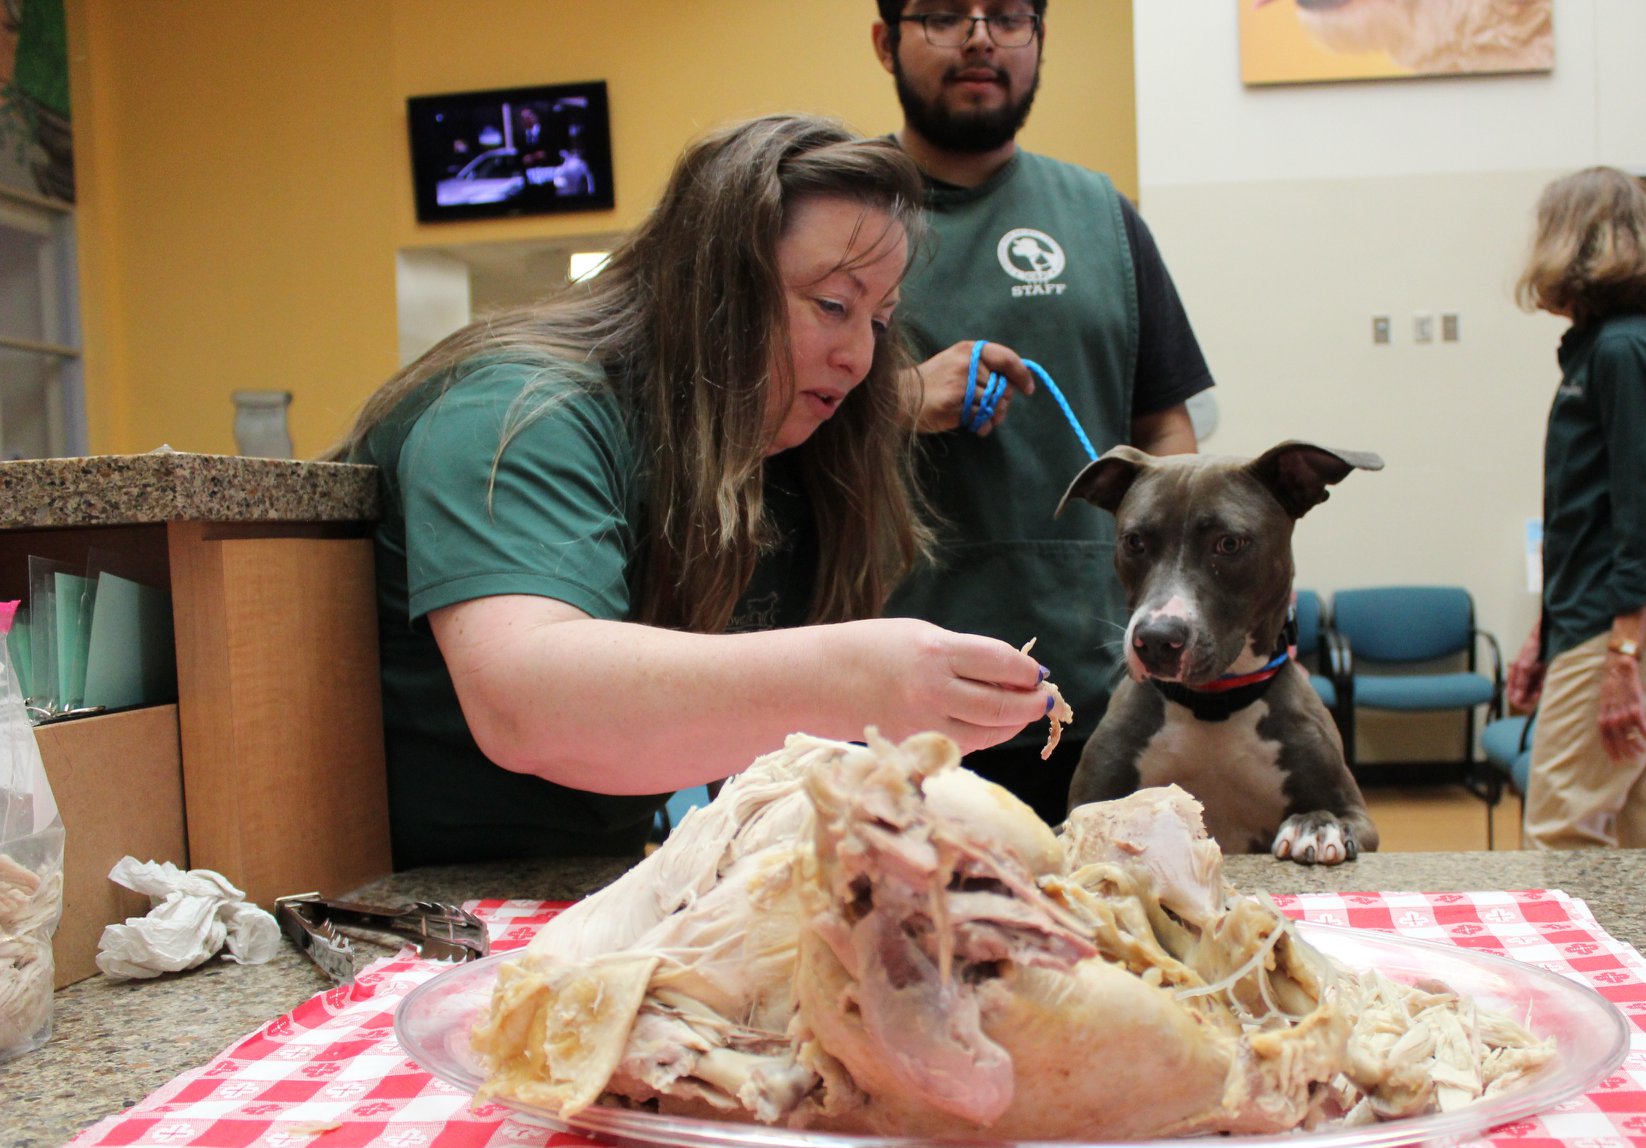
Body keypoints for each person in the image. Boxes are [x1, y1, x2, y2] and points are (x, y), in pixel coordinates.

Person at [325, 115, 1061, 866]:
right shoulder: (514, 411)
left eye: (881, 318)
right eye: (834, 305)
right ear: (712, 287)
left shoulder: (778, 450)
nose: (862, 355)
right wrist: (860, 678)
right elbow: (527, 706)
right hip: (394, 904)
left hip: (587, 884)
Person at [871, 0, 1214, 825]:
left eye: (1010, 15)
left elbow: (1168, 436)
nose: (982, 36)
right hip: (885, 713)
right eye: (946, 14)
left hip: (1092, 700)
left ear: (1041, 39)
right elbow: (747, 428)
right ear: (886, 41)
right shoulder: (835, 210)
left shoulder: (1102, 219)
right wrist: (901, 400)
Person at [1505, 166, 1646, 850]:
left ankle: (1561, 964)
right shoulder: (1618, 349)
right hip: (1616, 620)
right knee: (1645, 834)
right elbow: (1589, 515)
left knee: (1562, 831)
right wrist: (1546, 633)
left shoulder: (1627, 351)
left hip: (1624, 625)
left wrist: (1622, 652)